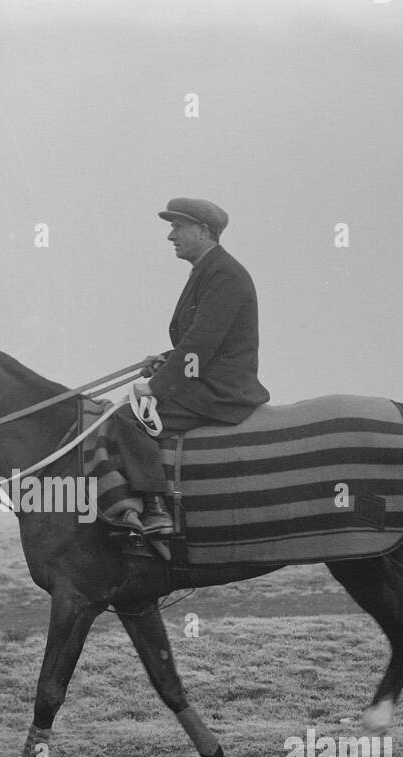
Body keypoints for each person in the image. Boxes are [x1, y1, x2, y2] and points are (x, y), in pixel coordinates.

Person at [110, 197, 269, 535]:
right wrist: (166, 360)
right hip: (209, 380)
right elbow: (201, 343)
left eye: (177, 227)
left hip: (222, 390)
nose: (171, 236)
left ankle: (156, 509)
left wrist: (155, 387)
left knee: (128, 417)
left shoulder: (224, 274)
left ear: (204, 231)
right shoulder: (211, 270)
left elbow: (201, 344)